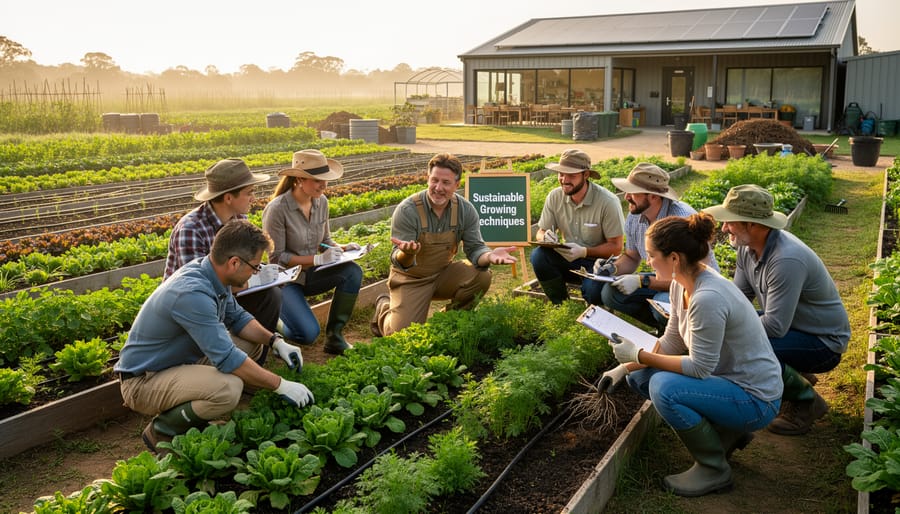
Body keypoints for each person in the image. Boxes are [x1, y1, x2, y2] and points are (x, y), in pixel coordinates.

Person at [600, 213, 782, 497]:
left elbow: (698, 368)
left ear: (674, 258)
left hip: (756, 398)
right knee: (642, 377)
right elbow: (671, 341)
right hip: (729, 384)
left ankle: (713, 469)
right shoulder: (679, 284)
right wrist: (626, 367)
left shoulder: (707, 298)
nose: (648, 262)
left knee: (664, 387)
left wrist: (640, 355)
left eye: (651, 255)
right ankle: (725, 433)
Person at [116, 220, 313, 454]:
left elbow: (237, 317)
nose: (255, 272)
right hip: (144, 381)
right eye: (255, 267)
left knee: (252, 344)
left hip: (179, 362)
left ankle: (197, 412)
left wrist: (276, 341)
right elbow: (227, 358)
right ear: (234, 262)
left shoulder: (212, 273)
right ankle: (163, 430)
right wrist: (280, 385)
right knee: (228, 388)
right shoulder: (192, 293)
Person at [703, 184, 850, 435]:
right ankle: (792, 375)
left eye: (730, 222)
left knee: (746, 347)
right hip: (794, 327)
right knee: (736, 338)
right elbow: (739, 299)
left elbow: (774, 326)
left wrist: (726, 330)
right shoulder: (746, 248)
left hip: (823, 341)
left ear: (753, 224)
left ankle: (806, 402)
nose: (724, 228)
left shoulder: (786, 260)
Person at [370, 152, 517, 337]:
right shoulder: (408, 210)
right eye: (434, 180)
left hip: (442, 274)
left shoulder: (465, 210)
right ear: (427, 179)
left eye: (446, 183)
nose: (438, 188)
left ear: (457, 185)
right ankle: (384, 309)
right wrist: (406, 253)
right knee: (401, 336)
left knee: (482, 276)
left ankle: (448, 322)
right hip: (411, 279)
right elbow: (399, 262)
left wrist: (489, 256)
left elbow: (475, 248)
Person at [164, 158, 282, 340]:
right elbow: (197, 288)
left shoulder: (239, 219)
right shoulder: (191, 229)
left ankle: (256, 352)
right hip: (193, 305)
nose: (254, 198)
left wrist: (262, 271)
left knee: (270, 295)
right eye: (249, 193)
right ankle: (228, 356)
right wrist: (253, 280)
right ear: (228, 198)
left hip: (227, 293)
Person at [593, 162, 719, 332]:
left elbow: (689, 276)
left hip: (695, 285)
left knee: (663, 302)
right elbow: (631, 257)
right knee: (611, 293)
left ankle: (681, 335)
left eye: (633, 192)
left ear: (653, 196)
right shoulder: (634, 216)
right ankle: (665, 331)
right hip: (662, 274)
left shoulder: (680, 220)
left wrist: (642, 281)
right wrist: (612, 268)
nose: (627, 197)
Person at [262, 149, 363, 355]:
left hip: (311, 275)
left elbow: (324, 240)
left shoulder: (321, 202)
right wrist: (317, 259)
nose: (324, 185)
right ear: (299, 179)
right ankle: (271, 324)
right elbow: (277, 257)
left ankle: (335, 338)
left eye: (325, 180)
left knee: (353, 271)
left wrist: (343, 248)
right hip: (286, 280)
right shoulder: (277, 209)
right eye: (318, 180)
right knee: (307, 335)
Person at [530, 149, 625, 304]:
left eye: (571, 175)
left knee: (593, 293)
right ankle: (559, 303)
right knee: (538, 256)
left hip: (598, 264)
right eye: (561, 174)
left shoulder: (608, 202)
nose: (564, 180)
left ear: (586, 175)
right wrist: (545, 237)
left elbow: (616, 247)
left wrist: (584, 251)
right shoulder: (554, 197)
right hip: (567, 258)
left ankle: (594, 311)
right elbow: (540, 232)